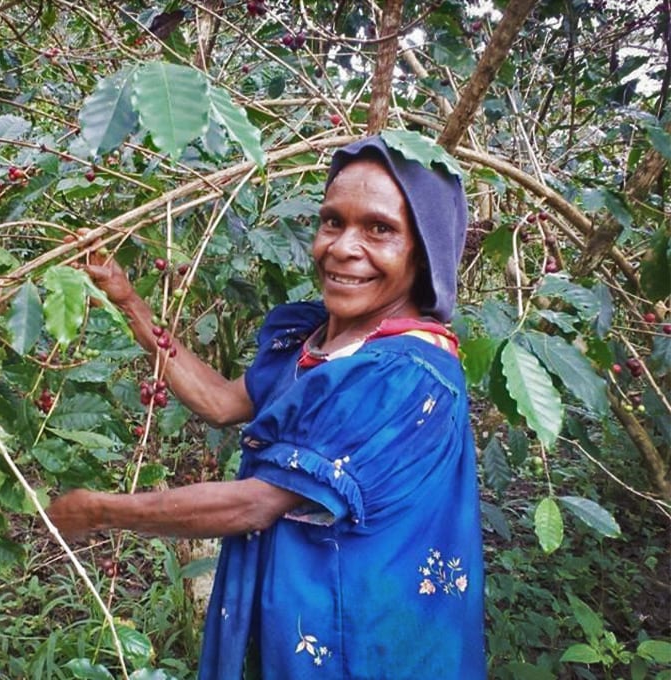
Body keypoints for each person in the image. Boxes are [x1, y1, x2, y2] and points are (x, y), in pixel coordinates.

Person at [47, 134, 487, 679]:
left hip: (364, 640)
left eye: (380, 230)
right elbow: (220, 402)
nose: (343, 247)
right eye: (332, 222)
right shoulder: (320, 340)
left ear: (423, 251)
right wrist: (129, 302)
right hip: (299, 617)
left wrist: (100, 511)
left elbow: (255, 504)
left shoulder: (404, 374)